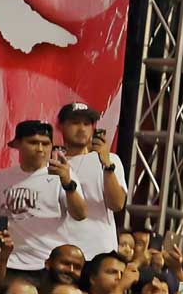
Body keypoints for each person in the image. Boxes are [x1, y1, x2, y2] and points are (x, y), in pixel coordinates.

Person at [0, 121, 89, 280]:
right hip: (13, 262)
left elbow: (80, 214)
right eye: (33, 142)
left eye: (46, 143)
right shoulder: (3, 177)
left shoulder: (62, 175)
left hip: (49, 264)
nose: (40, 149)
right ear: (17, 144)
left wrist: (68, 183)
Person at [55, 103, 128, 258]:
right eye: (75, 123)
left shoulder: (111, 160)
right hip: (62, 251)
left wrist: (107, 165)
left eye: (87, 124)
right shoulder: (54, 165)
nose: (82, 129)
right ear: (60, 126)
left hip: (100, 252)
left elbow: (117, 204)